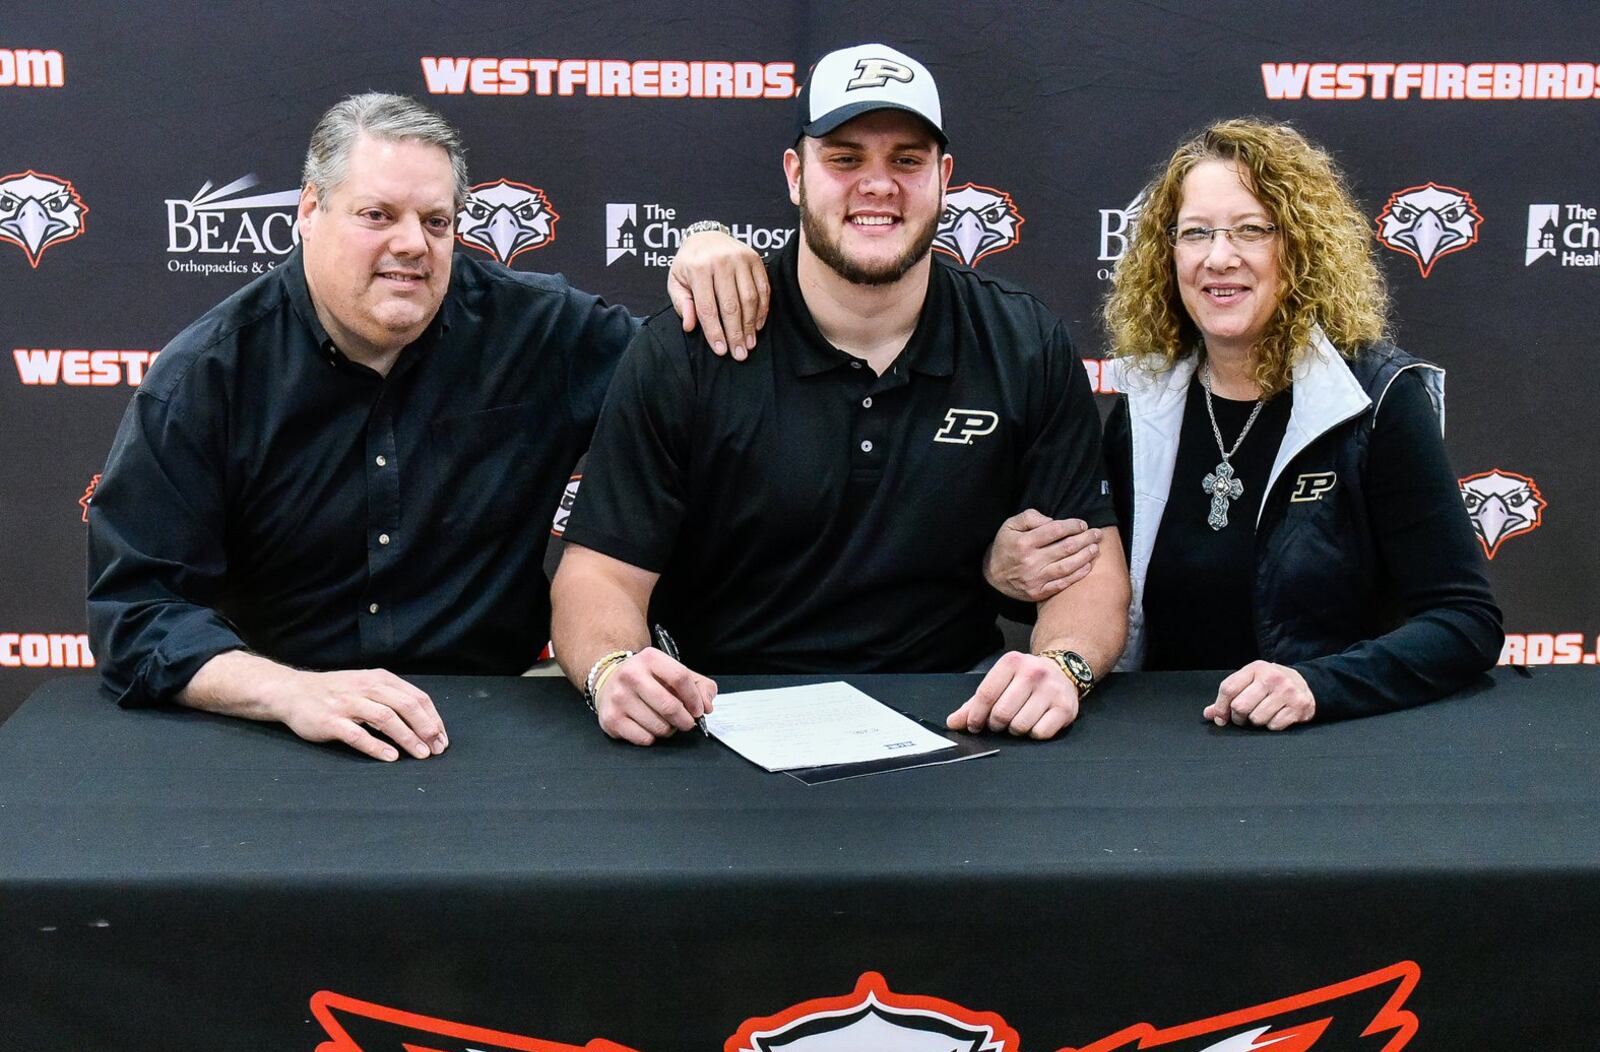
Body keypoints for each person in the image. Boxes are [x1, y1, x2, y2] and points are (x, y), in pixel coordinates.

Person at [86, 92, 767, 762]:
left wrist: (704, 244)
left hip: (501, 724)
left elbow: (678, 377)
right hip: (287, 735)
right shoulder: (206, 378)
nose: (412, 244)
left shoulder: (540, 331)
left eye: (436, 222)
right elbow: (138, 615)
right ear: (309, 211)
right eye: (377, 215)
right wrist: (291, 694)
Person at [550, 43, 1127, 746]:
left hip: (952, 714)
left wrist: (1063, 665)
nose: (877, 185)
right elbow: (598, 576)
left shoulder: (1022, 342)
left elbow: (1090, 569)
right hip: (716, 715)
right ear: (796, 175)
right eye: (845, 159)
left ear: (944, 178)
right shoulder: (691, 345)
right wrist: (613, 668)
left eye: (906, 161)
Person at [992, 118, 1501, 728]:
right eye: (1196, 233)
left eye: (1252, 230)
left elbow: (1464, 621)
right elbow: (1091, 592)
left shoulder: (1376, 399)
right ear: (1167, 254)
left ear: (1302, 248)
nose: (1219, 258)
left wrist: (1318, 685)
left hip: (1322, 751)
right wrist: (1007, 579)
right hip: (1160, 744)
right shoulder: (1145, 406)